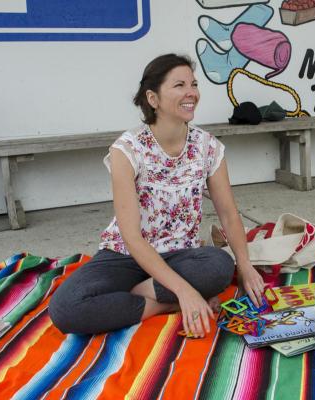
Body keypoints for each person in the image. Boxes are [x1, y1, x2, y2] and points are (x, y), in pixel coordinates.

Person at [49, 54, 265, 337]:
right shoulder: (127, 150)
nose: (191, 93)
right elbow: (131, 236)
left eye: (194, 84)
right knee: (66, 309)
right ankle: (166, 304)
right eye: (179, 85)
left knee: (220, 265)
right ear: (153, 99)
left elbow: (228, 213)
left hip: (181, 254)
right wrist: (184, 291)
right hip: (126, 256)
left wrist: (246, 266)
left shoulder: (208, 147)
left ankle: (138, 297)